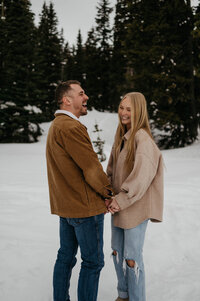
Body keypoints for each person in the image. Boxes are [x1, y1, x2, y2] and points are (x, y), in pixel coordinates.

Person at [46, 80, 113, 301]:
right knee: (93, 262)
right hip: (84, 210)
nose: (86, 98)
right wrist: (108, 193)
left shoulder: (56, 125)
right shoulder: (71, 126)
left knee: (65, 257)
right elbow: (92, 169)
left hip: (67, 208)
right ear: (67, 99)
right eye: (81, 93)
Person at [106, 92, 164, 301]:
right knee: (117, 252)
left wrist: (119, 200)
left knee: (131, 257)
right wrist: (107, 194)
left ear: (139, 111)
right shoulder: (122, 136)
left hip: (136, 208)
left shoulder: (142, 139)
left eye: (129, 109)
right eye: (122, 107)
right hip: (120, 206)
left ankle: (137, 298)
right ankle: (123, 295)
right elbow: (111, 170)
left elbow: (141, 178)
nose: (123, 112)